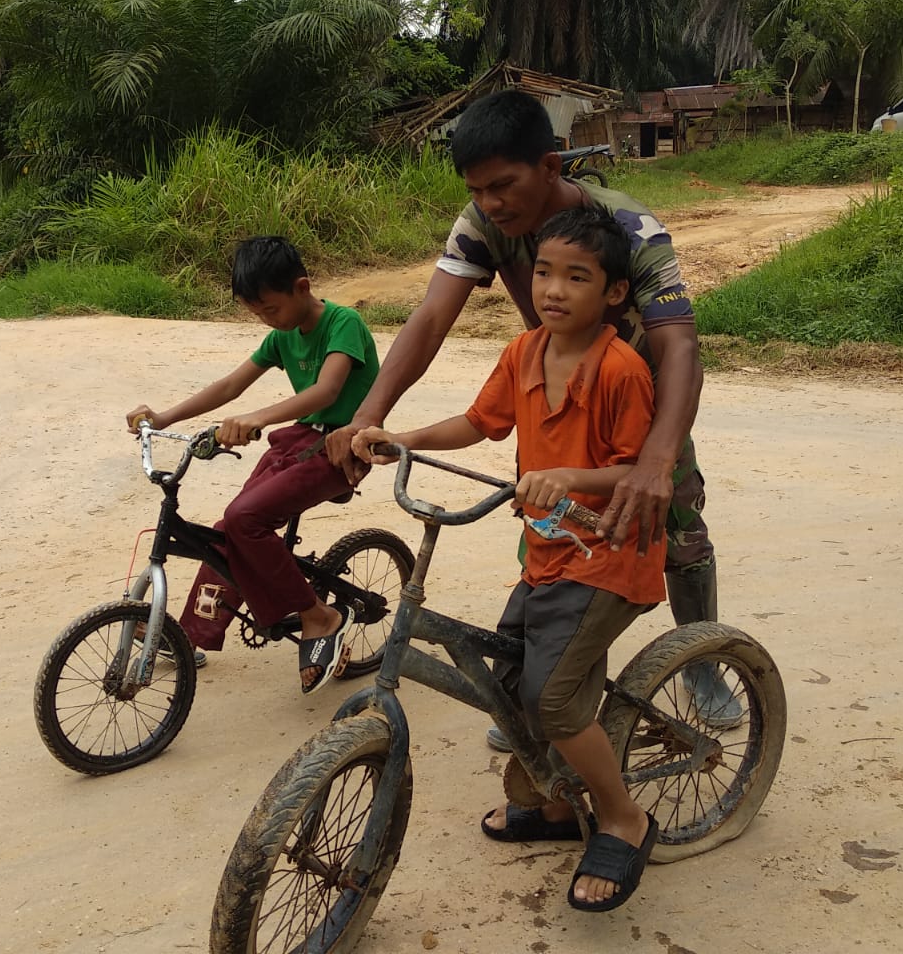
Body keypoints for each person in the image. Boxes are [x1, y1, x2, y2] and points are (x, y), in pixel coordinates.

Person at [327, 89, 741, 732]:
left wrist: (657, 458)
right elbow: (433, 315)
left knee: (677, 534)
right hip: (552, 403)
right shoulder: (483, 223)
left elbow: (679, 341)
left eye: (502, 185)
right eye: (476, 189)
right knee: (553, 539)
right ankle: (551, 683)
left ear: (550, 168)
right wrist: (367, 416)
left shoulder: (629, 228)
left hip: (640, 406)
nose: (489, 203)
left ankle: (701, 662)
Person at [353, 207, 664, 912]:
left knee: (551, 697)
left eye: (577, 277)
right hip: (551, 552)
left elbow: (640, 471)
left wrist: (571, 477)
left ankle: (622, 817)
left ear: (613, 293)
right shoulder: (523, 352)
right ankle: (556, 809)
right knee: (513, 673)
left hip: (611, 554)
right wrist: (401, 436)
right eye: (545, 272)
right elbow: (478, 423)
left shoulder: (621, 369)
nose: (555, 289)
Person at [126, 237, 378, 694]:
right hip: (295, 442)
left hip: (340, 447)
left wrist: (259, 417)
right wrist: (163, 417)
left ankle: (319, 616)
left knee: (246, 519)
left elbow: (326, 392)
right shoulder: (281, 335)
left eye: (270, 309)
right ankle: (188, 636)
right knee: (230, 530)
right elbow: (229, 387)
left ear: (302, 287)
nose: (267, 320)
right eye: (257, 314)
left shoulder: (345, 322)